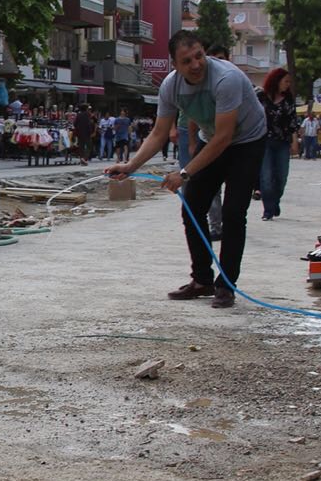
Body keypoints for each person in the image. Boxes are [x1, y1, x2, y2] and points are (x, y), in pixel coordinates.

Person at [107, 30, 268, 309]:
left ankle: (226, 284)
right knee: (192, 207)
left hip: (246, 141)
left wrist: (184, 173)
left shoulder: (225, 78)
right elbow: (158, 133)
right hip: (211, 139)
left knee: (232, 213)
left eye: (199, 56)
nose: (196, 64)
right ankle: (202, 279)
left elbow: (224, 137)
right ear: (175, 65)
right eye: (187, 60)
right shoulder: (170, 87)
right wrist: (131, 166)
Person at [255, 67, 297, 221]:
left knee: (281, 177)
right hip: (264, 141)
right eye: (285, 81)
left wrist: (294, 142)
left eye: (289, 82)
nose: (288, 84)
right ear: (276, 81)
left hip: (282, 142)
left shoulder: (288, 100)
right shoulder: (261, 97)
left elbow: (293, 122)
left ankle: (275, 201)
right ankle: (268, 210)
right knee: (266, 177)